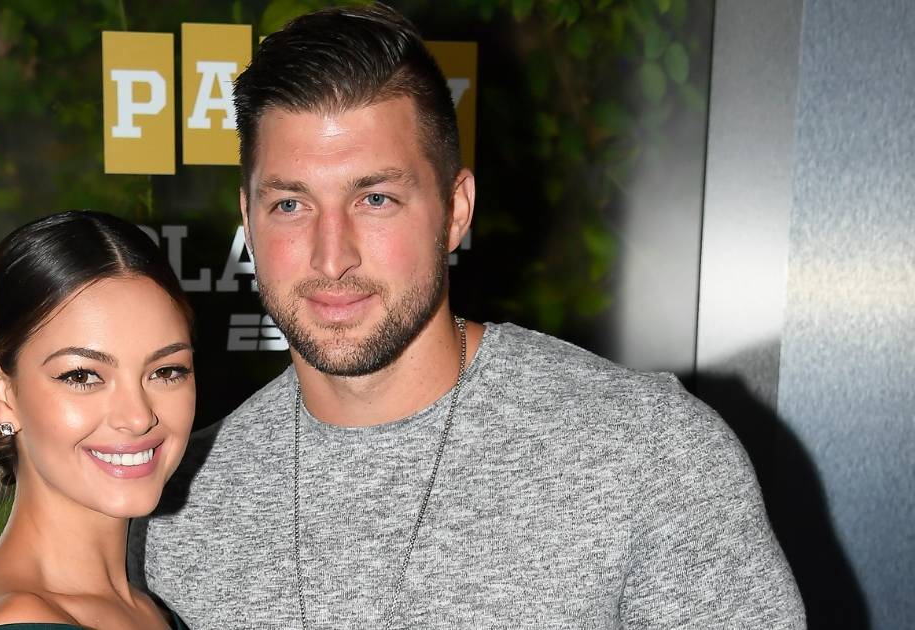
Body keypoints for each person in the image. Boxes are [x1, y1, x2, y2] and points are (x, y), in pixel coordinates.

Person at [130, 5, 805, 629]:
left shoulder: (649, 454)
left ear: (455, 209)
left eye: (375, 199)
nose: (330, 257)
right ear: (248, 221)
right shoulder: (175, 502)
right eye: (290, 205)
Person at [0, 211, 195, 630]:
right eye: (82, 376)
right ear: (0, 393)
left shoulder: (145, 611)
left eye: (166, 371)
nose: (137, 418)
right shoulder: (20, 619)